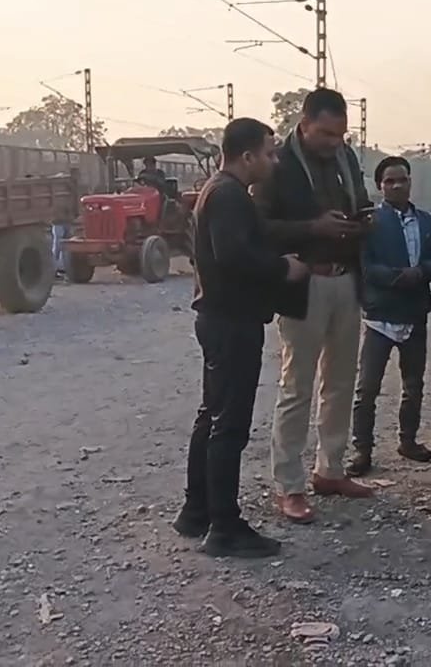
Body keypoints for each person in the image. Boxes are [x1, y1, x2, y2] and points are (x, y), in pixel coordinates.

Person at [172, 117, 310, 558]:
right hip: (231, 321)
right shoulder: (229, 195)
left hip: (219, 318)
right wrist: (284, 268)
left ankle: (197, 511)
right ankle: (225, 527)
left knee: (212, 415)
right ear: (247, 156)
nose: (274, 161)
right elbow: (233, 255)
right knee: (228, 425)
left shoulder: (220, 191)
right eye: (269, 153)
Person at [252, 87, 375, 524]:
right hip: (305, 282)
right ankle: (289, 484)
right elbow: (260, 228)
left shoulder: (346, 158)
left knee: (340, 382)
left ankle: (330, 470)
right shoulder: (277, 165)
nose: (333, 143)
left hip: (346, 280)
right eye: (325, 134)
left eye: (340, 135)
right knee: (297, 386)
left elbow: (360, 200)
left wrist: (363, 221)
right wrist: (313, 228)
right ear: (304, 125)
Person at [346, 156, 431, 477]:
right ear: (380, 186)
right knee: (367, 389)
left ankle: (408, 441)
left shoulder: (427, 222)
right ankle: (362, 451)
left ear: (410, 181)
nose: (397, 186)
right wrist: (397, 278)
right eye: (390, 181)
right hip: (380, 316)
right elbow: (367, 267)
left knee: (413, 385)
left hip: (415, 314)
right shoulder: (372, 223)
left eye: (402, 179)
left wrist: (420, 273)